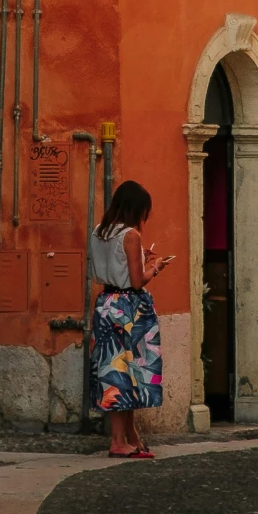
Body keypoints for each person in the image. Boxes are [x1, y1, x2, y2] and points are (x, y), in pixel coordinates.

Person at [89, 179, 171, 458]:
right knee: (129, 372)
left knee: (114, 369)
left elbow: (110, 266)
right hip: (129, 308)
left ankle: (128, 437)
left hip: (106, 304)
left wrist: (138, 257)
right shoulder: (131, 235)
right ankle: (117, 442)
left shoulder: (99, 231)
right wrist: (155, 267)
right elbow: (137, 281)